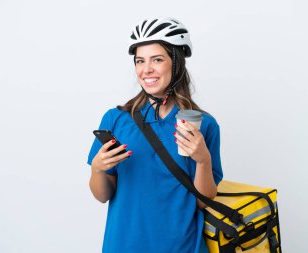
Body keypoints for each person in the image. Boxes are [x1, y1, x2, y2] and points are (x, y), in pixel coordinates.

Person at [87, 17, 223, 253]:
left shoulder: (203, 124)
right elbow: (102, 195)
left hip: (183, 247)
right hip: (123, 246)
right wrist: (98, 168)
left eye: (157, 59)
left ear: (177, 64)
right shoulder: (116, 120)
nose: (146, 69)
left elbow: (204, 201)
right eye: (140, 61)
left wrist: (203, 159)